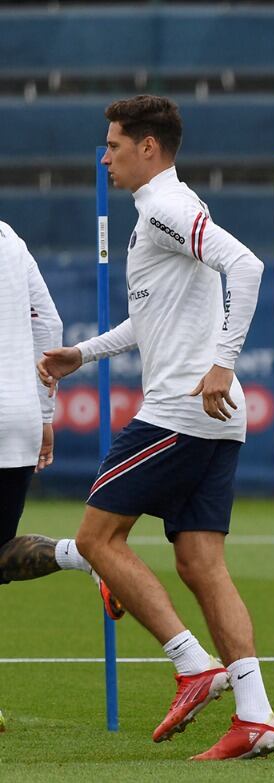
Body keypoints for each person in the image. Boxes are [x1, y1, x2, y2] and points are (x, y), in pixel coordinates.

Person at [38, 95, 274, 760]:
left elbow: (249, 266)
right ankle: (256, 716)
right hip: (211, 420)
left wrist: (223, 363)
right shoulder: (166, 210)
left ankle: (193, 664)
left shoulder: (167, 208)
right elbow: (148, 321)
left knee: (97, 538)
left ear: (148, 147)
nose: (105, 157)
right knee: (201, 563)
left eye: (114, 145)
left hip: (179, 410)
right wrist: (82, 354)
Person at [0, 217, 122, 618]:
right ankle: (81, 555)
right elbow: (49, 324)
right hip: (17, 417)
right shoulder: (9, 236)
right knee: (1, 553)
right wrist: (43, 413)